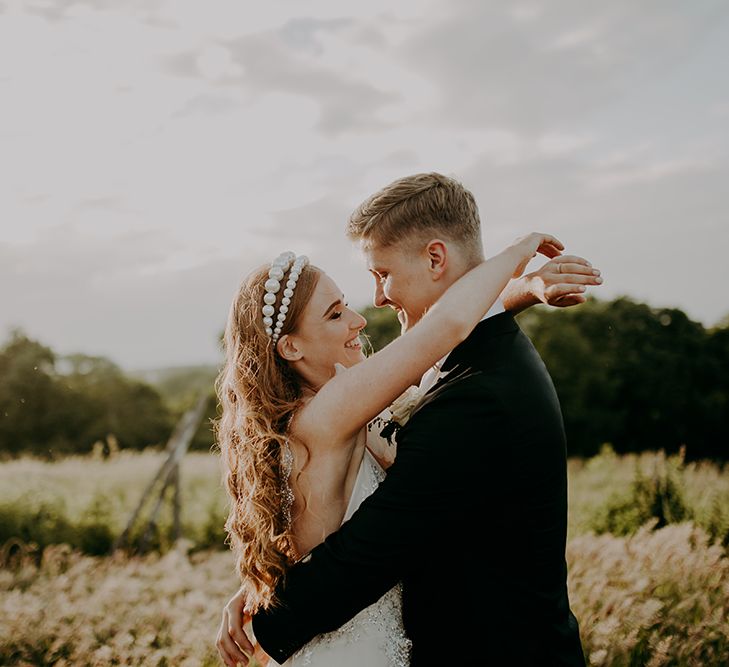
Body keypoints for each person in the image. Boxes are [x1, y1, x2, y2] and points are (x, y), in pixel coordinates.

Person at [216, 173, 597, 666]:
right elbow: (448, 324)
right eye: (336, 313)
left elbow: (369, 553)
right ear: (289, 347)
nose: (369, 307)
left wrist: (268, 602)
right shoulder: (344, 406)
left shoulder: (473, 399)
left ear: (435, 258)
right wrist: (517, 265)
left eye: (381, 274)